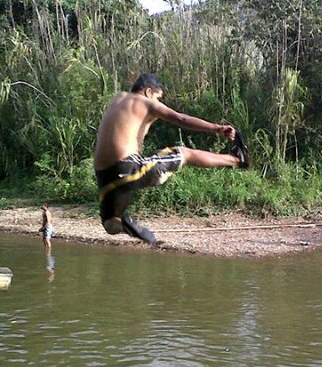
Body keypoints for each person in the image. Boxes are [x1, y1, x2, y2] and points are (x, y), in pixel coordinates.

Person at [94, 72, 249, 245]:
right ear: (148, 92)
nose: (158, 103)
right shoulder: (145, 102)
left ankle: (125, 225)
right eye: (158, 98)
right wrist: (217, 128)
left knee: (110, 223)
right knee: (184, 153)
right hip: (128, 167)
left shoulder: (117, 98)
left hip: (104, 176)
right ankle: (236, 160)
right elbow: (180, 118)